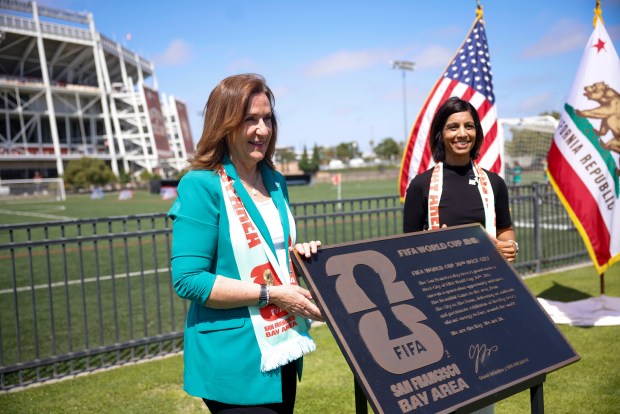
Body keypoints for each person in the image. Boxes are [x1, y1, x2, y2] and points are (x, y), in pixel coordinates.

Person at [168, 73, 324, 414]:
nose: (263, 130)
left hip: (282, 345)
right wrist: (271, 294)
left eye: (267, 118)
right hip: (233, 358)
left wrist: (298, 258)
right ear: (225, 125)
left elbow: (269, 253)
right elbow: (188, 279)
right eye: (250, 119)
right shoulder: (201, 185)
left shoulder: (275, 180)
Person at [403, 97, 518, 263]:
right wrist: (430, 244)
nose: (462, 134)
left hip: (489, 280)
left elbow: (504, 229)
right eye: (453, 127)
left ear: (476, 132)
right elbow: (407, 245)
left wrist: (510, 245)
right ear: (440, 134)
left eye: (469, 126)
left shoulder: (495, 183)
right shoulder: (420, 185)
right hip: (443, 283)